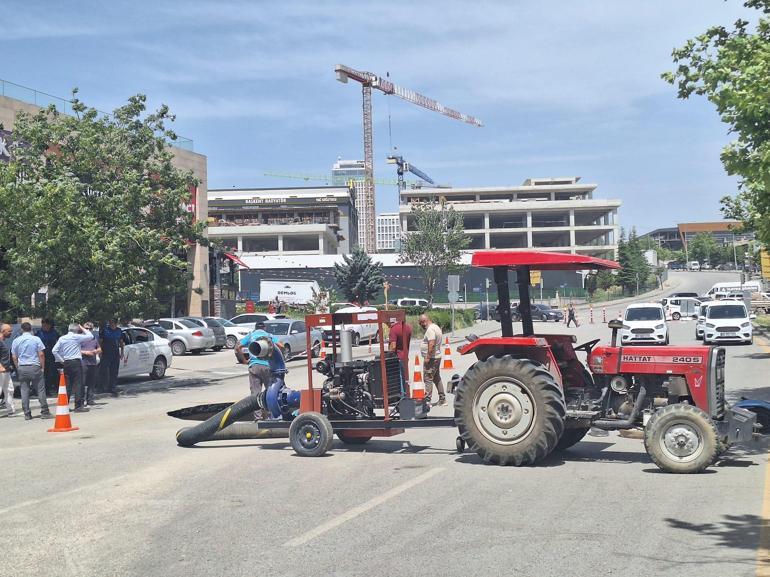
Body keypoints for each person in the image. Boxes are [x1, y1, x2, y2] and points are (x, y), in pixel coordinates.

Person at [234, 321, 284, 420]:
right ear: (264, 328)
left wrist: (244, 360)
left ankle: (258, 418)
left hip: (254, 366)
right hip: (267, 366)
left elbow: (237, 347)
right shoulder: (268, 336)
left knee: (255, 393)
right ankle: (272, 416)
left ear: (255, 328)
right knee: (271, 392)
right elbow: (281, 346)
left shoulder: (251, 335)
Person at [11, 322, 51, 420]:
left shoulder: (16, 340)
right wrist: (42, 367)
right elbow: (41, 354)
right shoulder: (36, 339)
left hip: (22, 367)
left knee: (24, 390)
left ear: (22, 329)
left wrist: (18, 367)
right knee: (40, 389)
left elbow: (14, 356)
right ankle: (45, 411)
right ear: (31, 329)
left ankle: (27, 413)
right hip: (34, 366)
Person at [52, 323, 94, 413]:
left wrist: (61, 360)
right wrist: (82, 328)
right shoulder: (76, 337)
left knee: (68, 384)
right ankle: (78, 406)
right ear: (76, 330)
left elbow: (54, 351)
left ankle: (65, 405)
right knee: (78, 384)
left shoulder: (62, 338)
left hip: (66, 362)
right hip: (75, 362)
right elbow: (90, 336)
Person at [418, 314, 445, 406]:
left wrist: (427, 357)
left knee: (428, 378)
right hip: (437, 356)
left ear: (424, 321)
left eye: (420, 323)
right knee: (436, 378)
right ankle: (442, 398)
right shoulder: (436, 327)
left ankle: (427, 400)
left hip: (432, 358)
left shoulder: (430, 330)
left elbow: (432, 343)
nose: (421, 326)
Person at [99, 318, 124, 397]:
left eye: (113, 323)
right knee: (103, 370)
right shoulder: (105, 330)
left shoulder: (119, 331)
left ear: (116, 324)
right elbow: (100, 341)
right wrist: (100, 351)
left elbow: (121, 342)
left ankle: (112, 387)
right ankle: (102, 387)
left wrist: (122, 352)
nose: (111, 324)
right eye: (110, 322)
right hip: (106, 353)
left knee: (114, 371)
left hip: (115, 353)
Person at [36, 318, 60, 396]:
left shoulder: (54, 333)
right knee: (44, 374)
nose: (45, 326)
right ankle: (45, 391)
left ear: (49, 325)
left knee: (53, 374)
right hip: (42, 356)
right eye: (43, 325)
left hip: (52, 356)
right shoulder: (38, 333)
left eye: (46, 325)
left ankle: (56, 389)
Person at [80, 321, 101, 407]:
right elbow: (76, 350)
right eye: (86, 328)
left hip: (93, 363)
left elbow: (100, 349)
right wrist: (86, 352)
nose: (88, 330)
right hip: (83, 363)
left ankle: (90, 399)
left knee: (92, 383)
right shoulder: (80, 338)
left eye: (90, 328)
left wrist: (96, 351)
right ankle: (81, 401)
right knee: (82, 383)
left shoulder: (94, 339)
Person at [388, 317, 412, 385]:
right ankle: (406, 393)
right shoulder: (408, 327)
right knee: (405, 377)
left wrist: (388, 355)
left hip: (397, 357)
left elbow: (393, 346)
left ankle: (402, 394)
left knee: (399, 378)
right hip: (405, 356)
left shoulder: (394, 329)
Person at [0, 324, 14, 416]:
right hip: (1, 370)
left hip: (7, 370)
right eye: (9, 331)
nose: (11, 333)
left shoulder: (4, 341)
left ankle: (10, 410)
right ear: (3, 331)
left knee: (10, 389)